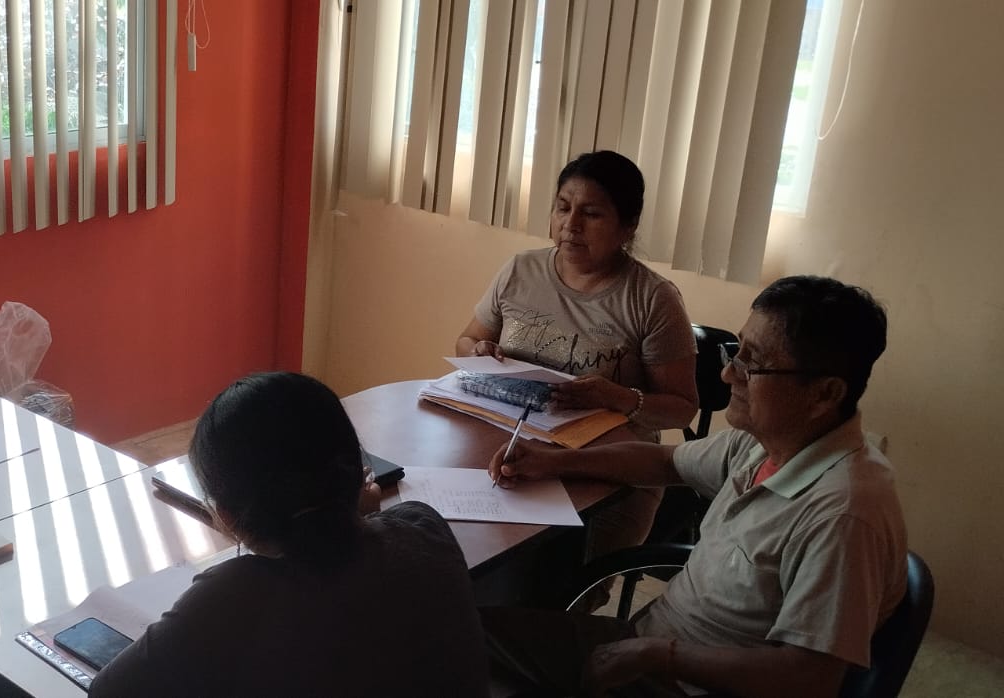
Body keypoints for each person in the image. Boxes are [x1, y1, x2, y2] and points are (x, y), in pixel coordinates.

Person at [482, 275, 906, 697]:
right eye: (735, 352)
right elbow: (665, 461)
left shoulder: (844, 514)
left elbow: (809, 678)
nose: (728, 373)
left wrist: (657, 655)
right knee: (466, 632)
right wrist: (554, 461)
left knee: (472, 652)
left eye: (752, 363)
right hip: (652, 644)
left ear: (824, 394)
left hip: (686, 681)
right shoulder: (765, 443)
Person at [90, 372, 490, 696]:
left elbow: (108, 691)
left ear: (225, 516)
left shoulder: (229, 598)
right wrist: (355, 511)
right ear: (357, 473)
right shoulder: (423, 527)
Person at [455, 149, 699, 561]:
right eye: (563, 208)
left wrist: (617, 398)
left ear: (628, 225)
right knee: (474, 557)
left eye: (592, 214)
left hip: (608, 469)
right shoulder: (520, 271)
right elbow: (465, 342)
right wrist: (481, 351)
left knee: (562, 581)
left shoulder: (653, 299)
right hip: (510, 445)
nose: (571, 225)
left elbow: (681, 409)